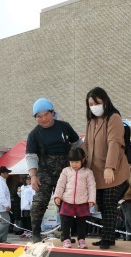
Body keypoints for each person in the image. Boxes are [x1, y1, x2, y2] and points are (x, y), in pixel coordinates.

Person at [25, 97, 81, 242]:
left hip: (65, 170)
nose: (44, 119)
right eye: (39, 116)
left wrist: (79, 163)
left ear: (53, 112)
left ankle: (65, 235)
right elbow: (31, 156)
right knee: (39, 201)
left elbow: (78, 144)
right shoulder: (34, 135)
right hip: (44, 171)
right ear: (35, 117)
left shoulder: (64, 126)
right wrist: (33, 176)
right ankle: (36, 233)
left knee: (66, 202)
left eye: (46, 114)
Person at [81, 87, 130, 250]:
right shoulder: (91, 122)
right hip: (96, 173)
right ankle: (107, 237)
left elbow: (114, 143)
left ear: (105, 101)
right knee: (102, 204)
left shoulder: (113, 118)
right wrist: (83, 167)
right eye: (90, 104)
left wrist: (109, 167)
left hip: (114, 172)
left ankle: (108, 238)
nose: (94, 106)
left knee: (109, 202)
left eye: (97, 102)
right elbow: (86, 144)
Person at [53, 147, 96, 249]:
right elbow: (60, 185)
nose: (74, 165)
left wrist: (91, 199)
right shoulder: (66, 171)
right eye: (71, 162)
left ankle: (81, 239)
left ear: (83, 160)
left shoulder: (88, 172)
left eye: (76, 162)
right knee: (66, 221)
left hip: (82, 201)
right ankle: (66, 239)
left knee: (81, 222)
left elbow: (91, 186)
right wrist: (57, 196)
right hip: (67, 200)